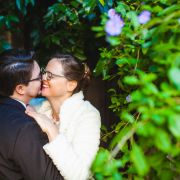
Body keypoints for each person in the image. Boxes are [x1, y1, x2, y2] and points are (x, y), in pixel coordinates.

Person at [26, 54, 101, 180]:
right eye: (44, 72)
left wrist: (51, 129)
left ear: (70, 85)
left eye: (50, 75)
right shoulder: (34, 106)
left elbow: (80, 175)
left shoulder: (88, 115)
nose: (43, 78)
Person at [0, 49, 64, 180]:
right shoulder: (24, 127)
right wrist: (52, 130)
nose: (44, 78)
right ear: (20, 89)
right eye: (39, 76)